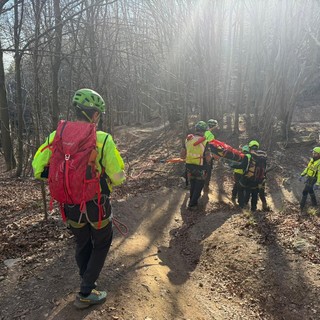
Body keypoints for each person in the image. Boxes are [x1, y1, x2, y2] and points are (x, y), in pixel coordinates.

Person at [32, 88, 125, 309]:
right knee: (102, 242)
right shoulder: (102, 139)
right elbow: (118, 177)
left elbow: (37, 168)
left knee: (82, 243)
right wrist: (119, 176)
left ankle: (87, 280)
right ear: (94, 115)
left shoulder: (56, 136)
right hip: (96, 205)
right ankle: (85, 291)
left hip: (69, 205)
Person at [181, 121, 211, 209]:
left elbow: (182, 154)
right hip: (201, 166)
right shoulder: (205, 141)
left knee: (193, 182)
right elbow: (208, 156)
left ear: (196, 129)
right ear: (204, 131)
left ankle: (191, 200)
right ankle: (192, 204)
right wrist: (209, 160)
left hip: (189, 166)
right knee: (199, 184)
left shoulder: (188, 139)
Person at [204, 119, 218, 191]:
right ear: (213, 126)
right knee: (208, 171)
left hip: (199, 154)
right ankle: (206, 186)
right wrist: (215, 155)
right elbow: (212, 147)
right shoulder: (210, 135)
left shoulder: (202, 132)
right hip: (207, 155)